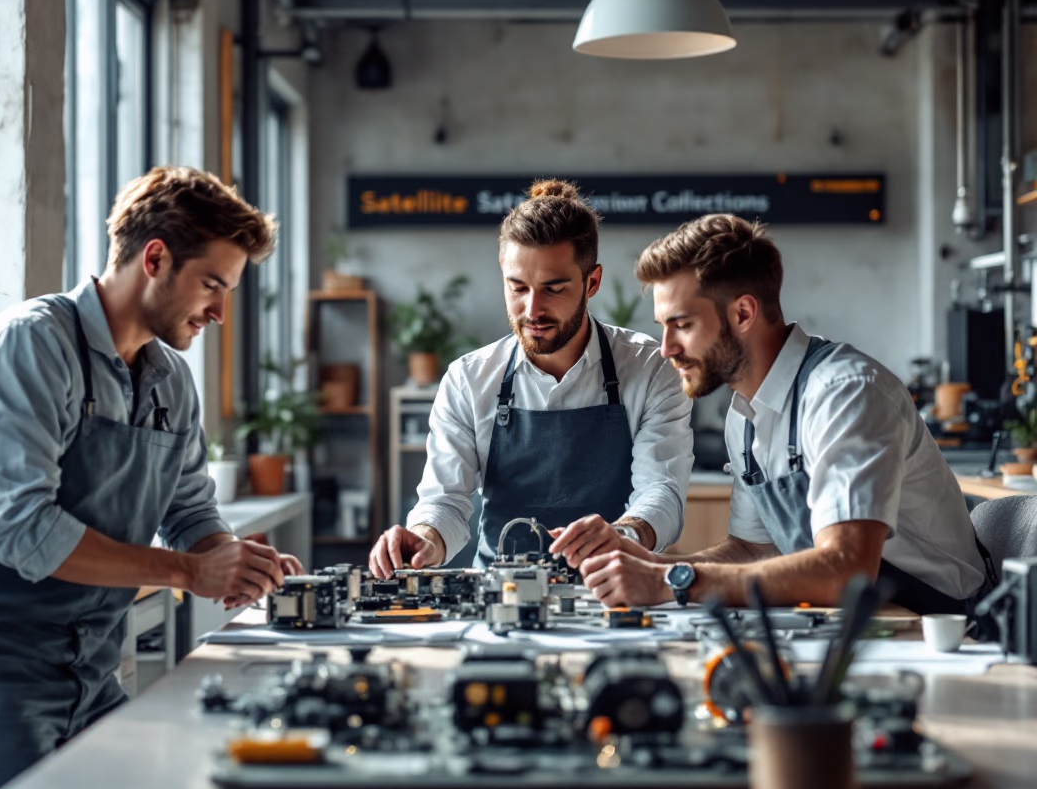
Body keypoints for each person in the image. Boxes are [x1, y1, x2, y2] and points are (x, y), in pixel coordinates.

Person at [0, 166, 303, 789]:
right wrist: (188, 570)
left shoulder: (169, 380)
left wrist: (232, 559)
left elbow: (191, 510)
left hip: (89, 675)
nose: (221, 313)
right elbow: (25, 531)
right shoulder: (32, 345)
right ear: (156, 258)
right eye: (213, 285)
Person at [576, 213, 996, 616]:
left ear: (743, 313)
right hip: (865, 620)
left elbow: (847, 571)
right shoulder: (744, 416)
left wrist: (673, 579)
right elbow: (753, 550)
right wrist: (652, 570)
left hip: (942, 629)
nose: (665, 347)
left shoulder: (845, 395)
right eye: (662, 326)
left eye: (681, 324)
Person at [368, 179, 693, 577]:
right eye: (518, 288)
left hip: (615, 589)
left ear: (592, 282)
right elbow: (446, 501)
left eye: (553, 289)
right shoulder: (469, 380)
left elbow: (661, 493)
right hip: (500, 594)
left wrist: (624, 536)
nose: (532, 309)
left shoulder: (651, 367)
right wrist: (425, 538)